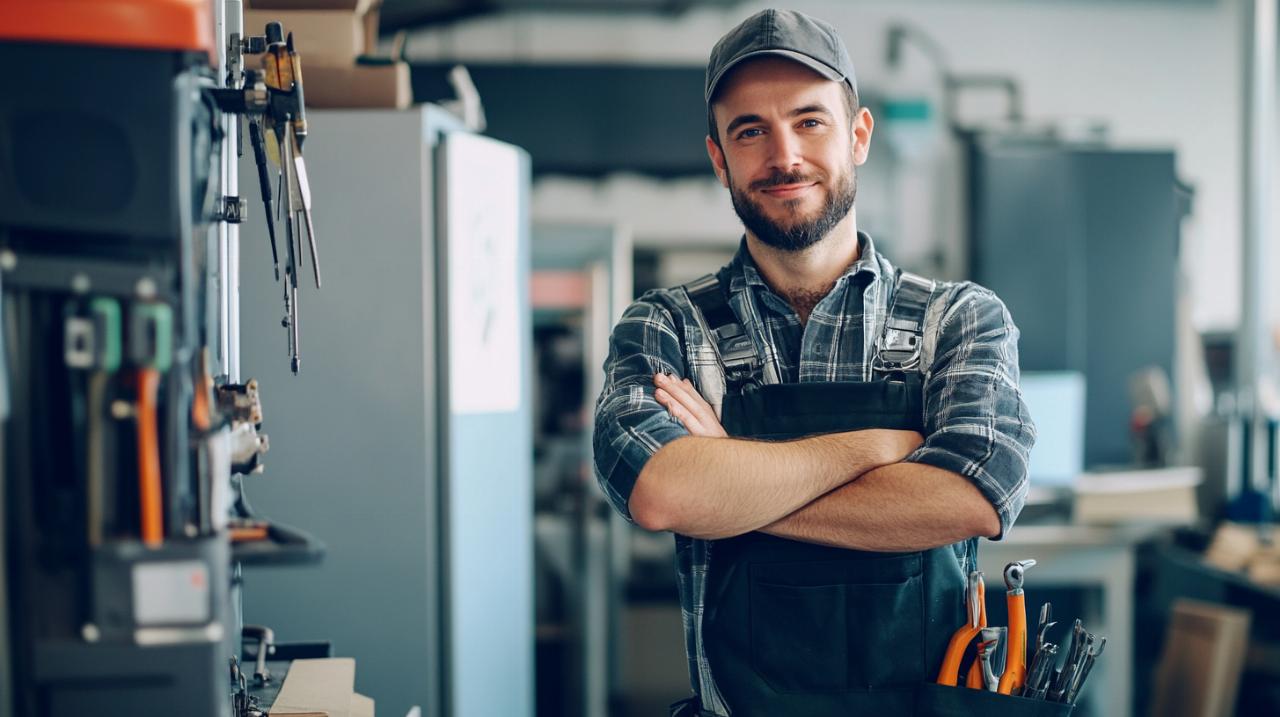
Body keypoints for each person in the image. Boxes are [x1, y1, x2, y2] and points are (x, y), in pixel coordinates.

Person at [592, 8, 1034, 716]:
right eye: (750, 131)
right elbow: (663, 494)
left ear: (858, 136)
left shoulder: (961, 319)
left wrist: (731, 479)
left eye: (809, 122)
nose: (784, 155)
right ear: (719, 159)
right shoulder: (666, 326)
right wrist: (876, 451)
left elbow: (972, 497)